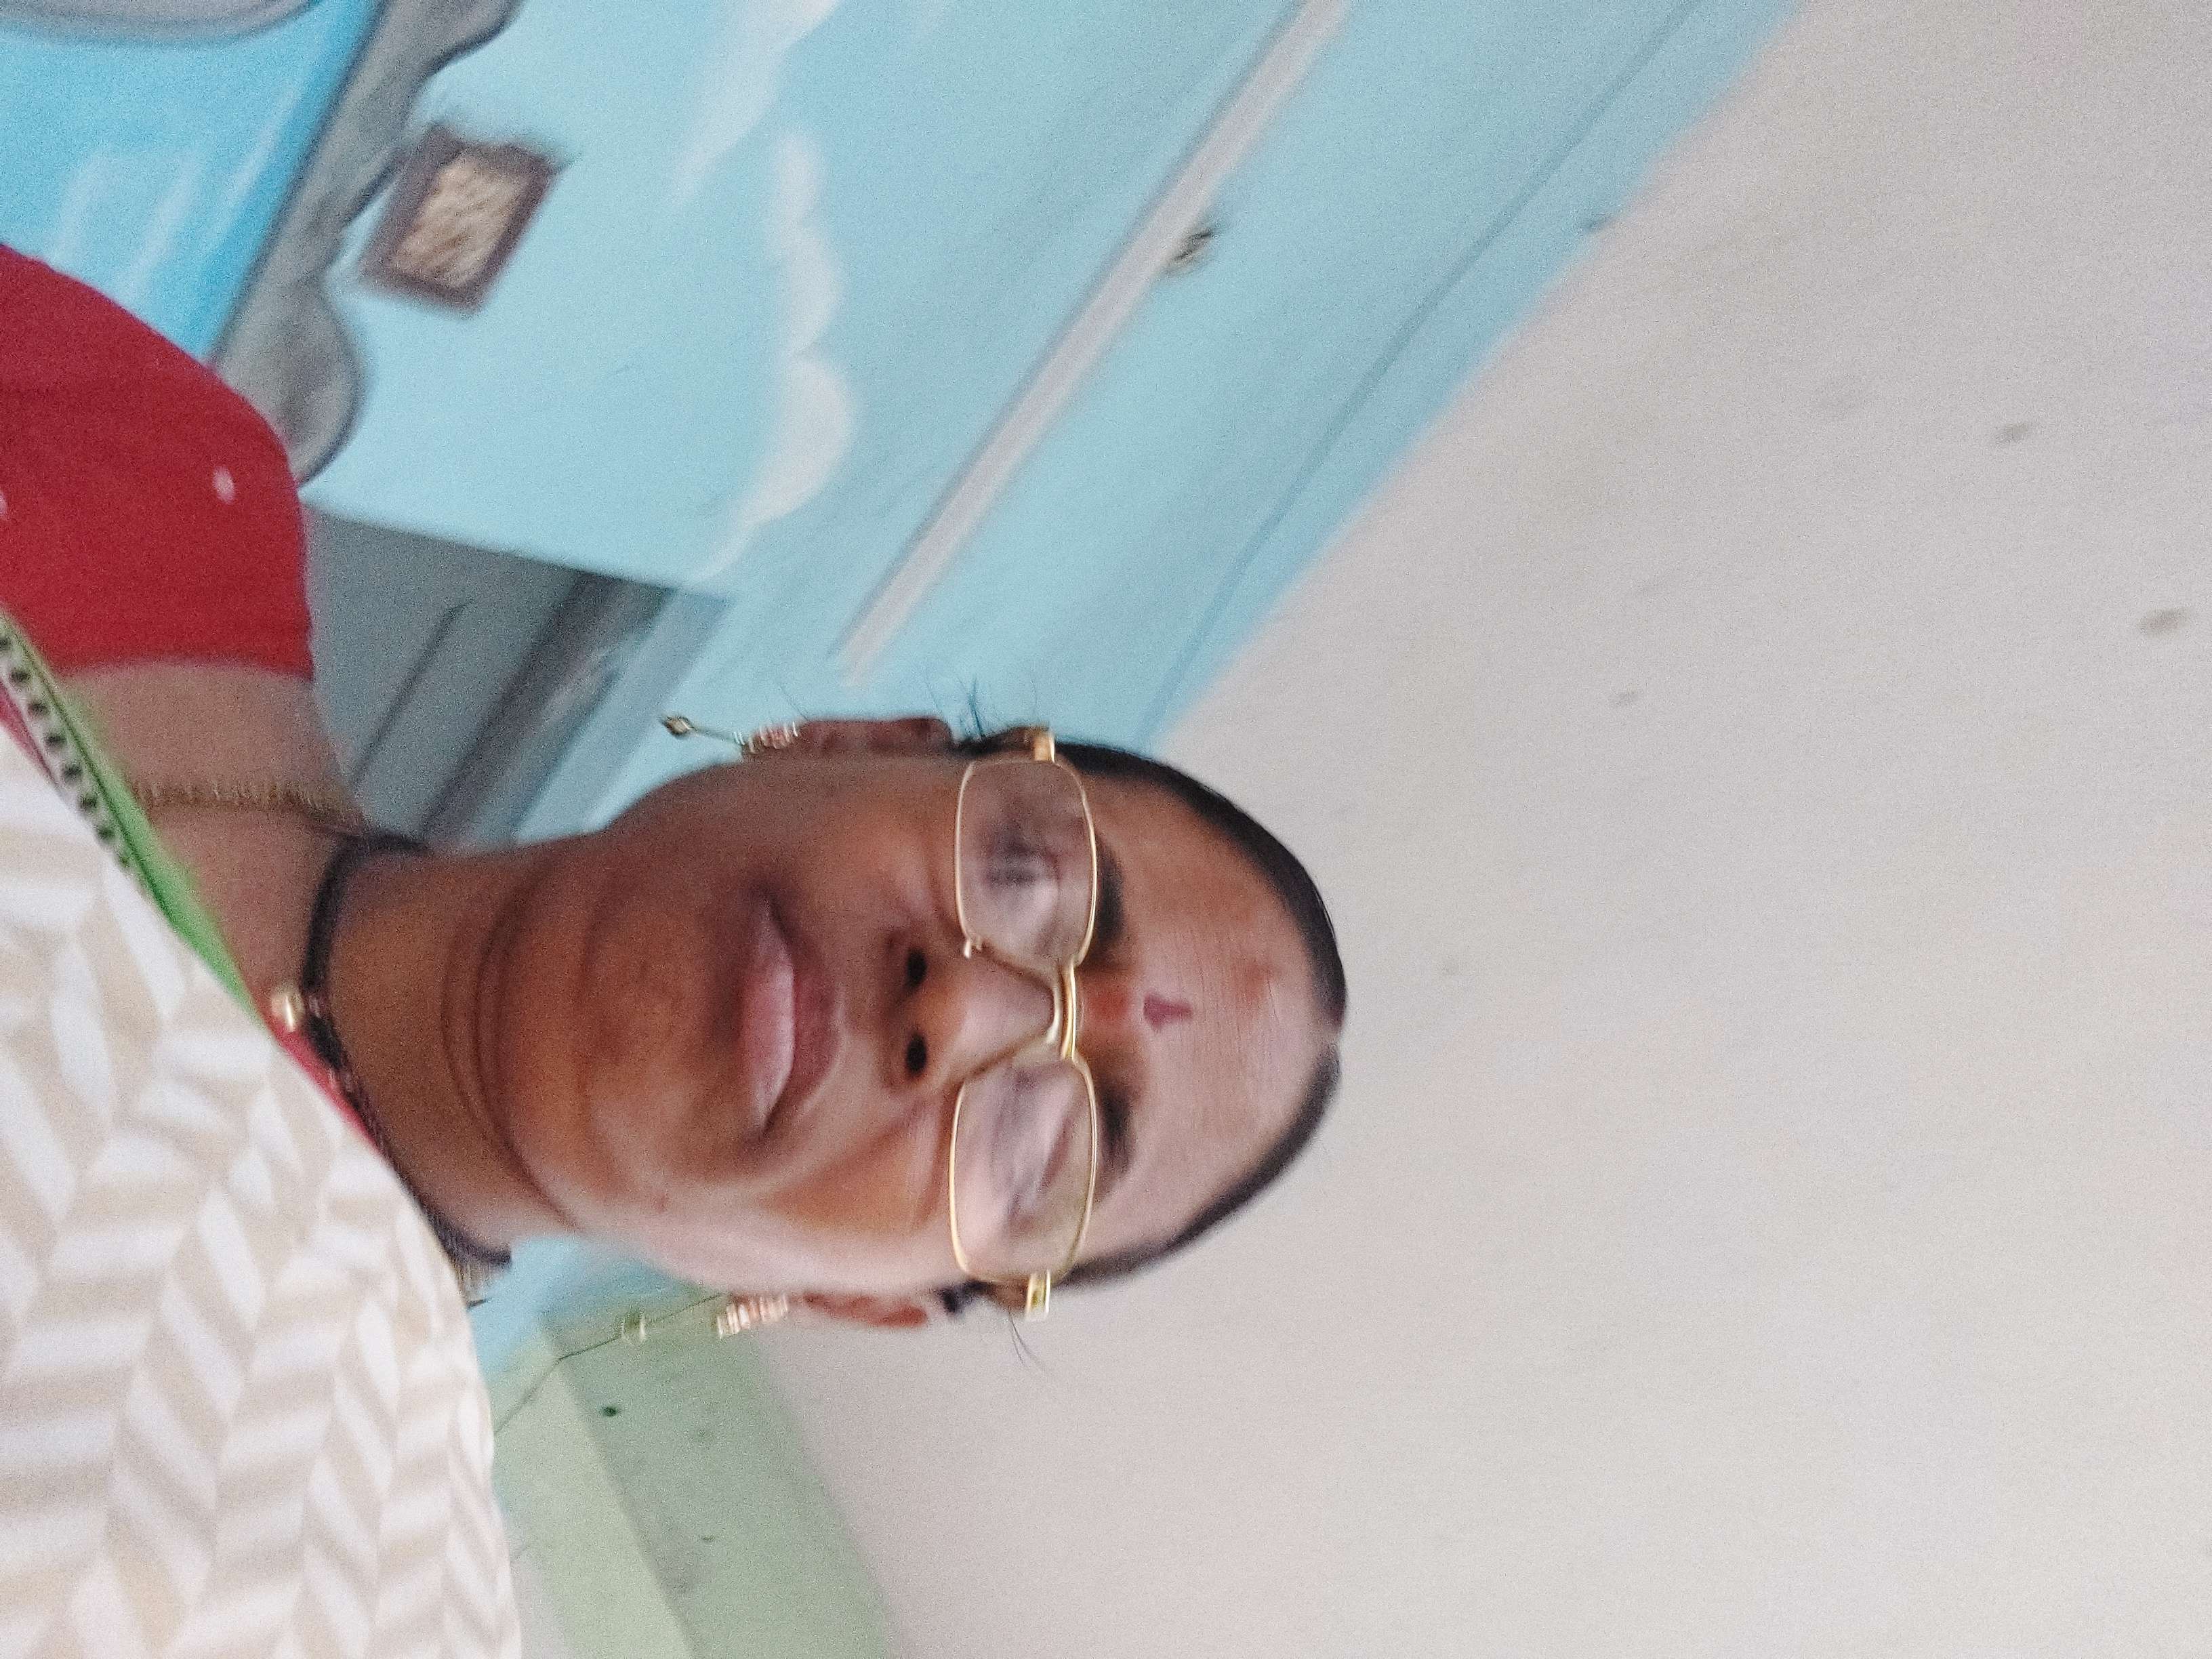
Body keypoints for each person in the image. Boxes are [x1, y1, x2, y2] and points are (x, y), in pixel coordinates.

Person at [0, 244, 1349, 1332]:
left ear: (854, 1299)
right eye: (1026, 875)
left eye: (1039, 1151)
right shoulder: (150, 472)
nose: (961, 1004)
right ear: (848, 743)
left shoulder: (220, 1495)